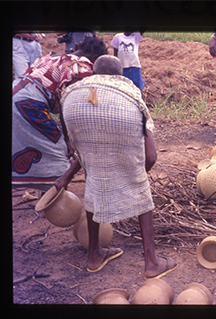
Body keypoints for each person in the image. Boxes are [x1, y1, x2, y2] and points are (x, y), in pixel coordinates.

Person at [57, 55, 178, 277]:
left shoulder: (77, 87)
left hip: (72, 110)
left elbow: (85, 153)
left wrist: (67, 176)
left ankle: (94, 255)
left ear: (95, 72)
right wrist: (135, 177)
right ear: (119, 76)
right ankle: (151, 262)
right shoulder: (129, 91)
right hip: (121, 115)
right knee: (142, 192)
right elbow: (150, 157)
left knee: (94, 178)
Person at [12, 36, 108, 191]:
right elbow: (67, 103)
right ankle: (56, 202)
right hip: (29, 104)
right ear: (95, 57)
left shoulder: (51, 57)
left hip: (15, 94)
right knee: (59, 154)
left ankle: (44, 191)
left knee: (35, 143)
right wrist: (67, 139)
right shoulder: (79, 65)